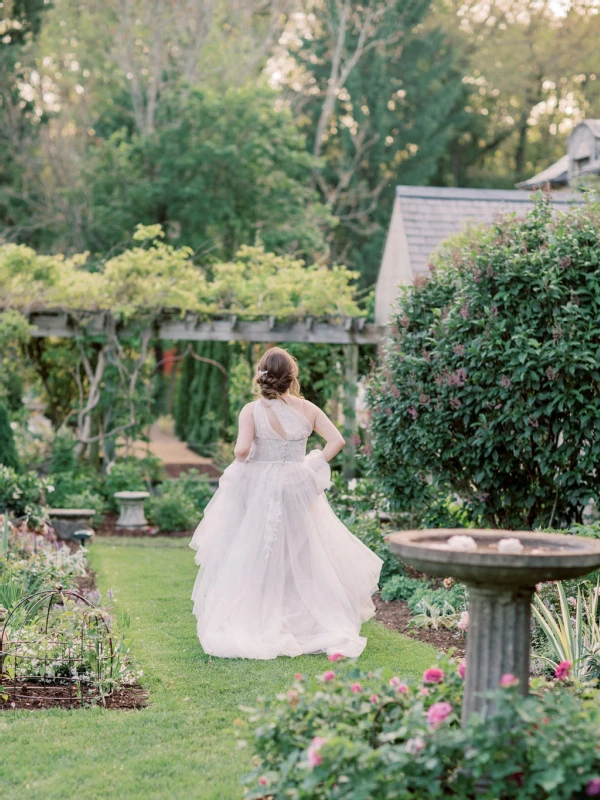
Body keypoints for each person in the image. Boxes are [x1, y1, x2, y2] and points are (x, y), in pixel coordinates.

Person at [190, 347, 382, 659]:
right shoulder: (308, 408)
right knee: (301, 549)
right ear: (291, 376)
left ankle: (261, 615)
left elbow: (241, 451)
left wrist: (252, 455)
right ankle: (303, 618)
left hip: (262, 485)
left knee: (258, 549)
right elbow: (337, 441)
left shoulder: (251, 411)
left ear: (261, 375)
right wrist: (313, 463)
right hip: (298, 484)